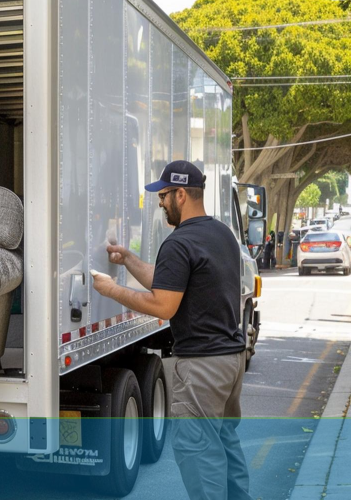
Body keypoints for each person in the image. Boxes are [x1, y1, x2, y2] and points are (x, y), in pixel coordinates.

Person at [91, 161, 252, 500]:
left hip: (203, 365)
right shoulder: (221, 234)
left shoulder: (179, 242)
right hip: (231, 359)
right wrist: (129, 260)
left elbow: (164, 305)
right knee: (225, 442)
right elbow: (171, 283)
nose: (160, 203)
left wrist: (111, 290)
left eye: (163, 195)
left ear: (181, 194)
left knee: (198, 453)